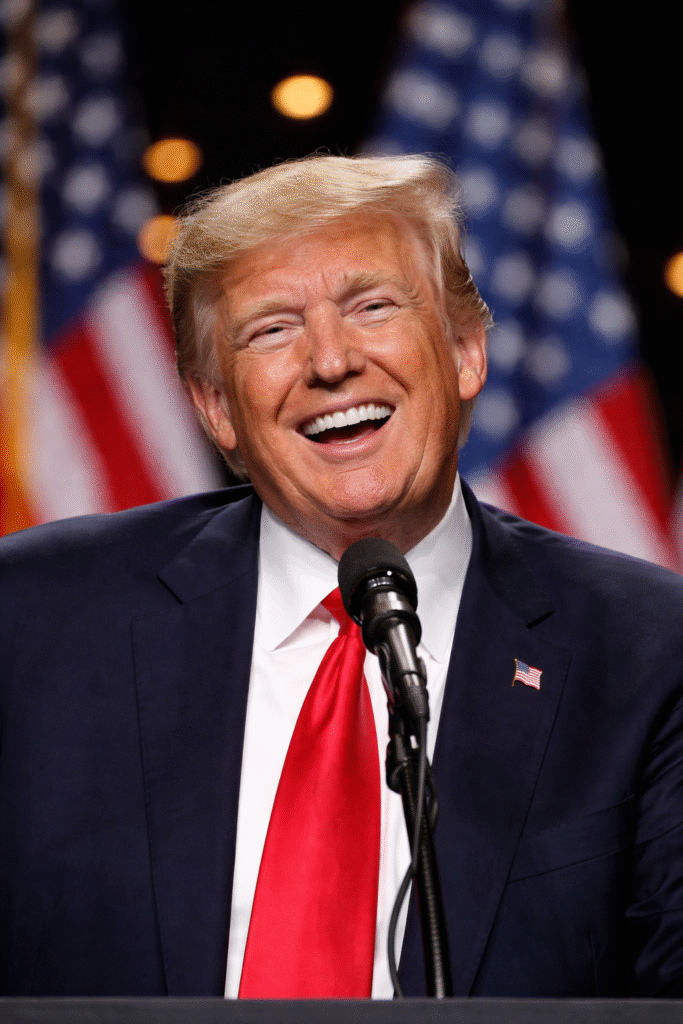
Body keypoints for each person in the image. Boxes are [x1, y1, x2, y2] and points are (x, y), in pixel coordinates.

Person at [1, 153, 683, 999]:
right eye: (272, 329)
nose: (330, 361)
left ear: (466, 351)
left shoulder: (647, 653)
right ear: (217, 408)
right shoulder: (31, 620)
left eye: (371, 306)